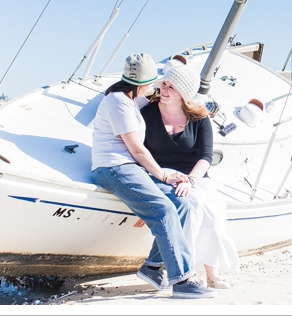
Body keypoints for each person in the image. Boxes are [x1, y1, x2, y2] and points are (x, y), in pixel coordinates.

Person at [90, 53, 216, 299]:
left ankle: (152, 268)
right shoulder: (119, 102)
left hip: (130, 168)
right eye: (156, 83)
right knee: (164, 210)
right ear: (142, 83)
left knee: (180, 203)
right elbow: (137, 150)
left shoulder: (134, 99)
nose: (157, 88)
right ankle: (182, 280)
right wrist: (165, 176)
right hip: (112, 168)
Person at [142, 63, 240, 289]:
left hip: (196, 176)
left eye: (171, 87)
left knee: (215, 215)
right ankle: (183, 271)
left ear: (184, 93)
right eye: (163, 84)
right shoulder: (148, 113)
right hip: (162, 173)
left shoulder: (200, 118)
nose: (164, 90)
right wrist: (167, 177)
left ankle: (212, 273)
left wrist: (191, 180)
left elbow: (206, 156)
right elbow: (141, 149)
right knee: (191, 208)